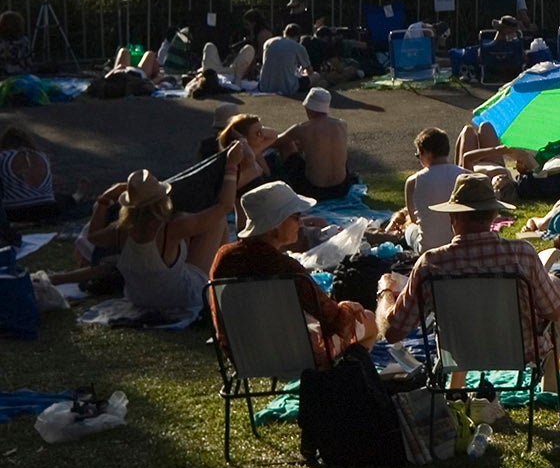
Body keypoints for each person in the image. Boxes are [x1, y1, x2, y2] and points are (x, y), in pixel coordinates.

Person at [377, 172, 560, 392]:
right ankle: (550, 383)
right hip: (521, 352)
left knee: (466, 314)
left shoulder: (431, 264)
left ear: (453, 217)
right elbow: (553, 312)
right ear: (494, 215)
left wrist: (385, 292)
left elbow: (393, 332)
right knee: (554, 284)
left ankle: (457, 387)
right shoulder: (522, 255)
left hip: (457, 353)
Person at [209, 180, 375, 362]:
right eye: (295, 216)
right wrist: (350, 308)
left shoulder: (223, 258)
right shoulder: (285, 268)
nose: (301, 223)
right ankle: (351, 383)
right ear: (276, 225)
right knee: (369, 320)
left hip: (244, 357)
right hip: (296, 356)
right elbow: (333, 320)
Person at [88, 168, 236, 319]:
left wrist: (104, 200)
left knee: (185, 239)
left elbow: (92, 236)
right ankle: (224, 278)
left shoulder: (120, 230)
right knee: (218, 220)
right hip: (181, 297)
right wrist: (232, 167)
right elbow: (224, 207)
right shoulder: (171, 227)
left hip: (139, 298)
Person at [269, 87, 357, 202]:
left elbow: (276, 142)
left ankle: (279, 179)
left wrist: (267, 133)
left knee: (287, 146)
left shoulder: (303, 128)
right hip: (341, 188)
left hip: (314, 191)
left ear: (309, 108)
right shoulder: (342, 124)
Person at [399, 129, 465, 251]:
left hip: (428, 248)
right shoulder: (466, 175)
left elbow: (414, 219)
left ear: (427, 153)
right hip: (461, 244)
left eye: (419, 155)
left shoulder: (413, 182)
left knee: (410, 229)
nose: (419, 160)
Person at [214, 113, 276, 196]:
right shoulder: (241, 159)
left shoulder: (253, 151)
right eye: (258, 133)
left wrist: (259, 130)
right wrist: (241, 139)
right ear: (244, 137)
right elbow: (249, 157)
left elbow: (274, 135)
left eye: (262, 131)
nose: (262, 136)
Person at [254, 23, 311, 96]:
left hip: (265, 86)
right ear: (298, 36)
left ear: (284, 32)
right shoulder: (298, 47)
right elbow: (309, 71)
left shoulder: (268, 42)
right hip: (288, 87)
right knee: (316, 76)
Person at [0, 10, 31, 77]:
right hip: (22, 76)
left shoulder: (2, 43)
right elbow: (28, 61)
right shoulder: (24, 41)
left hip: (4, 77)